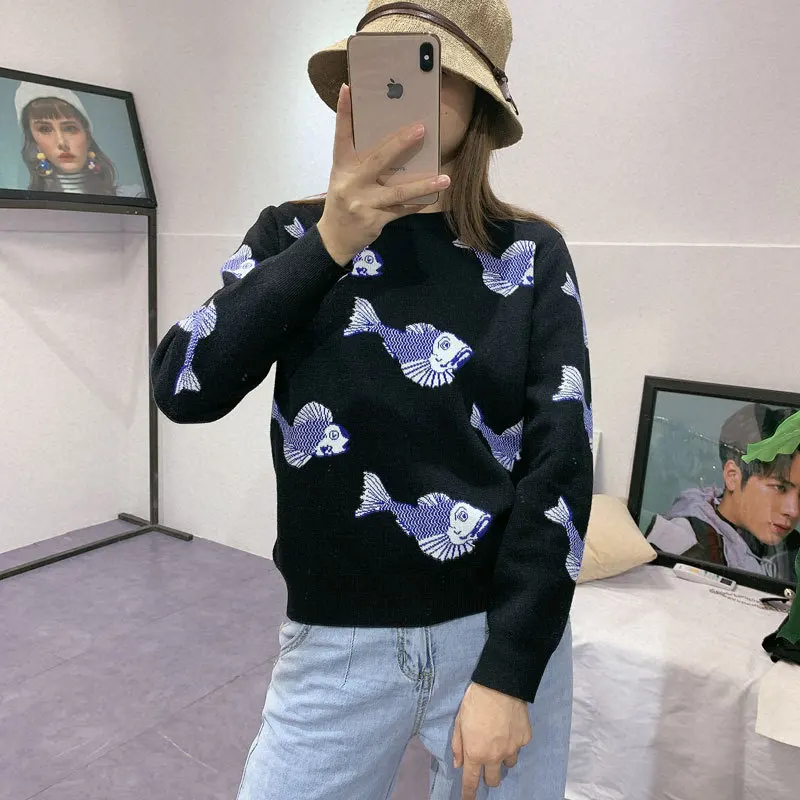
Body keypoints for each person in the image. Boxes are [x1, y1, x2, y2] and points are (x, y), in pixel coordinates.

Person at [151, 1, 593, 798]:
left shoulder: (530, 255)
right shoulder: (291, 235)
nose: (399, 91)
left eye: (430, 70)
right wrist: (330, 243)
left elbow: (559, 463)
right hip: (333, 641)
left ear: (481, 104)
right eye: (380, 68)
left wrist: (511, 667)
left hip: (493, 634)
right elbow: (183, 386)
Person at [647, 403, 800, 583]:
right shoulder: (682, 543)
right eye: (780, 488)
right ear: (732, 476)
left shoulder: (791, 547)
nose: (794, 511)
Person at [14, 82, 143, 197]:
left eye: (70, 128)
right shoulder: (26, 205)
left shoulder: (132, 195)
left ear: (87, 137)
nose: (61, 143)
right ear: (35, 142)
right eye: (45, 129)